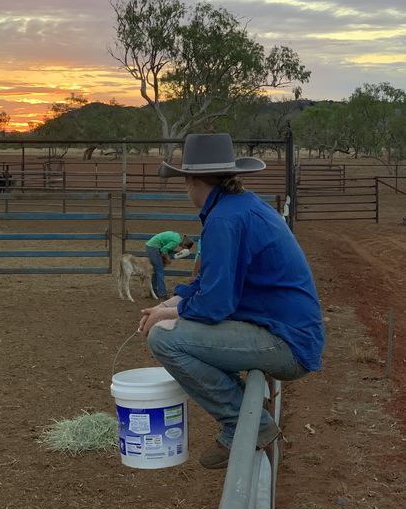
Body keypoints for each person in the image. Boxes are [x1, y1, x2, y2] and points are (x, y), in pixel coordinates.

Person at [139, 133, 325, 470]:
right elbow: (212, 284)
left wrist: (171, 314)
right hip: (287, 329)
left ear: (194, 181)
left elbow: (215, 305)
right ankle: (249, 413)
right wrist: (171, 304)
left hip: (286, 343)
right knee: (172, 323)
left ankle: (246, 423)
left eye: (185, 182)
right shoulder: (242, 207)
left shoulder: (224, 220)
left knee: (164, 339)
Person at [145, 231, 194, 300]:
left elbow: (166, 249)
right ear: (185, 244)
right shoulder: (176, 242)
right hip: (154, 247)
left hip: (152, 246)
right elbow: (164, 250)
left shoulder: (177, 237)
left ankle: (153, 292)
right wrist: (168, 259)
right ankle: (163, 294)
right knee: (160, 270)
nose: (182, 248)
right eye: (184, 248)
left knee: (156, 270)